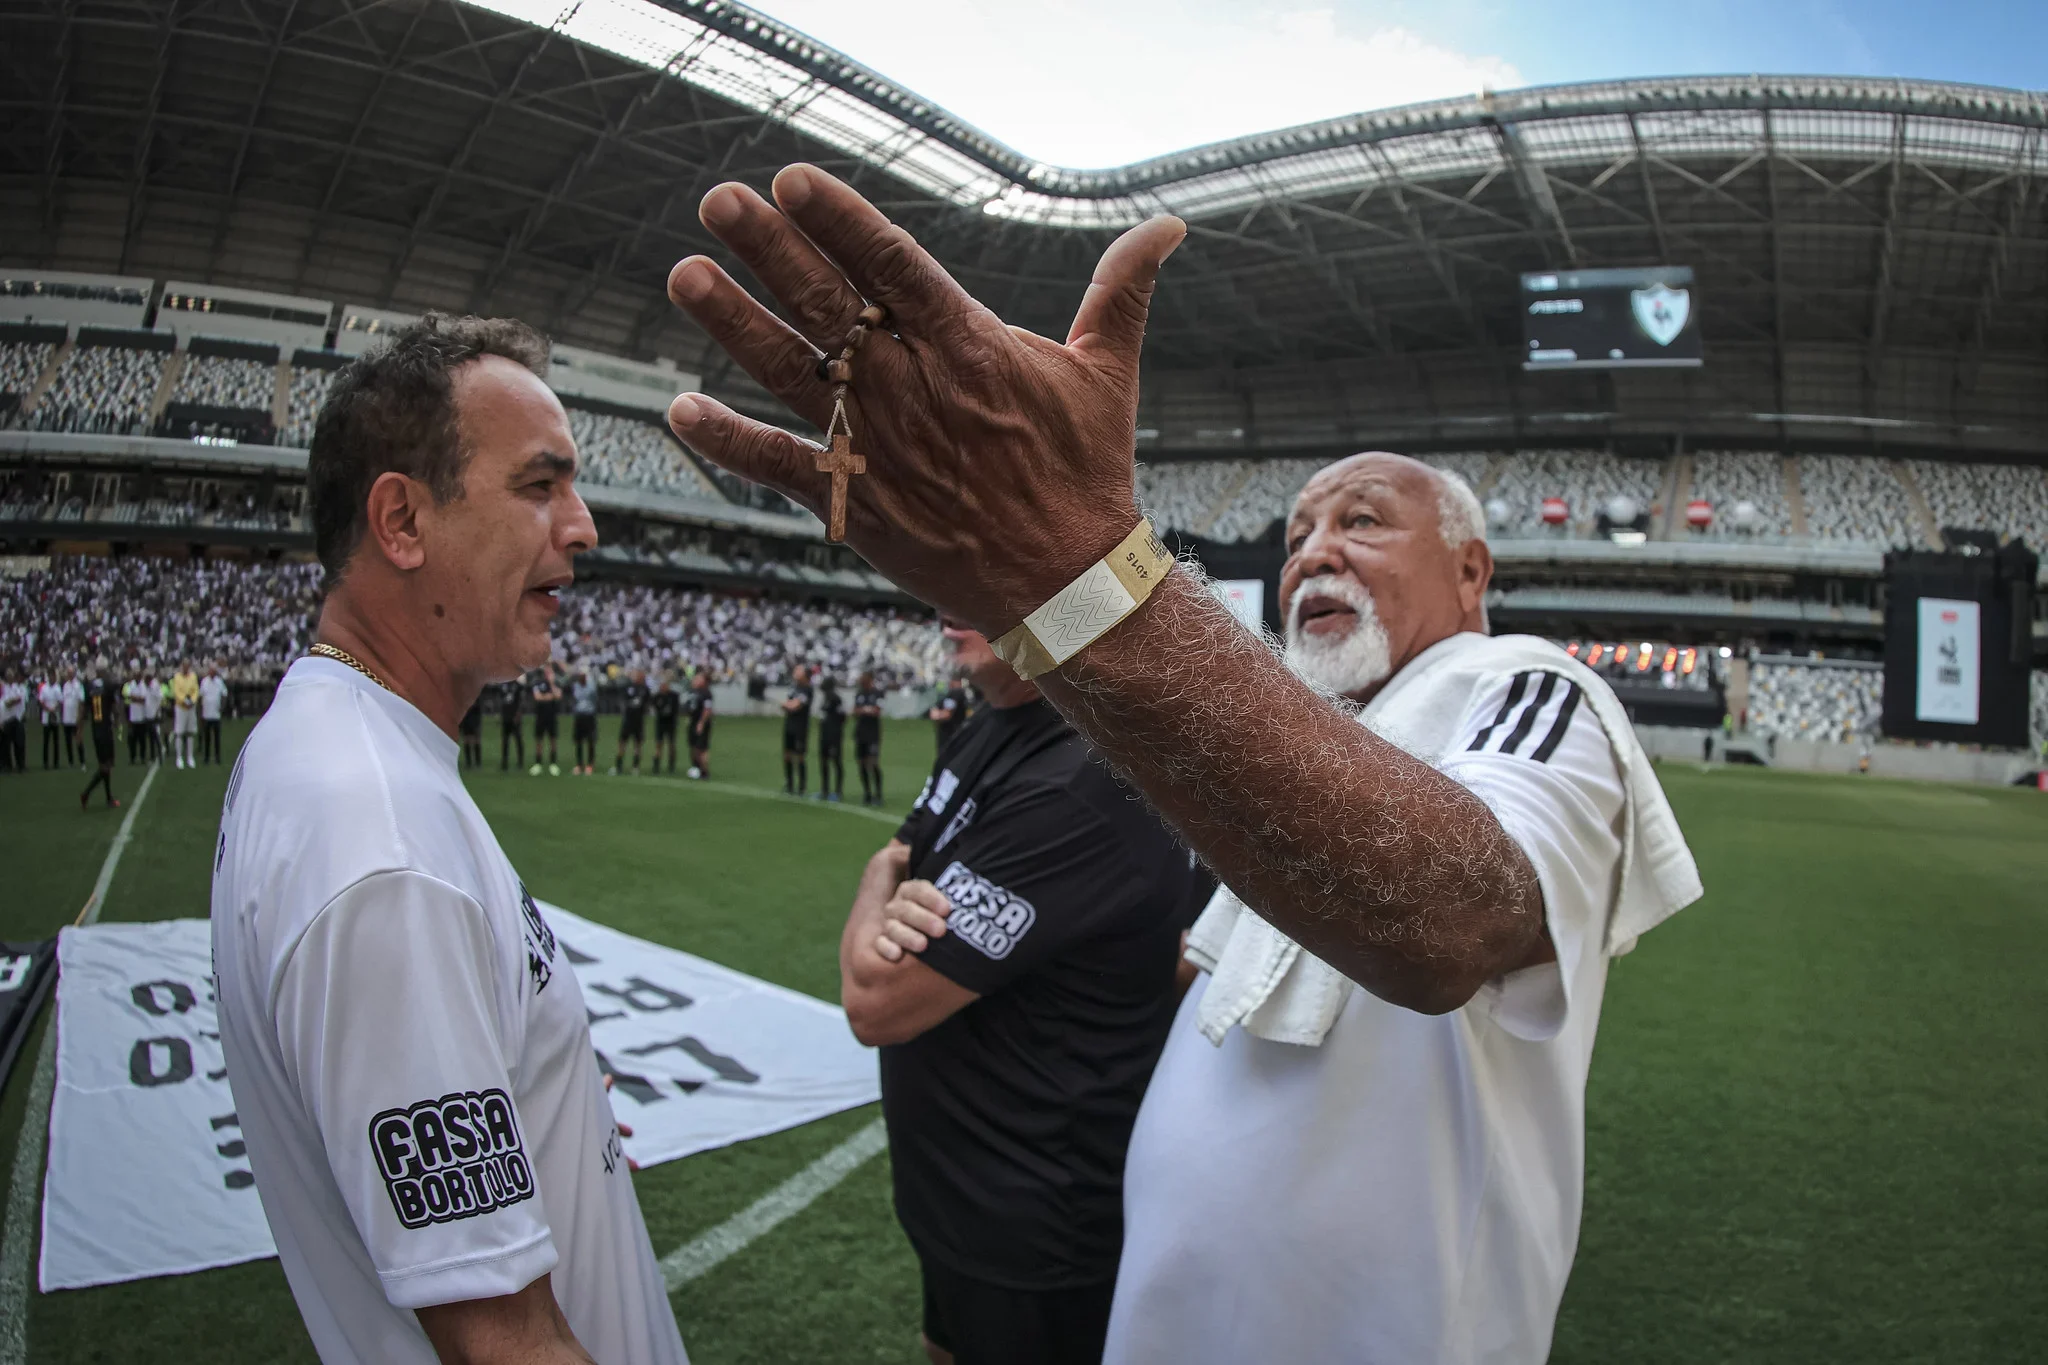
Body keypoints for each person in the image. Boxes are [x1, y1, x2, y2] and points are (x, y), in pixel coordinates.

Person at [662, 167, 1702, 1365]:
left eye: (1361, 522)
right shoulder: (1285, 753)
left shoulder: (1521, 687)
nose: (1314, 553)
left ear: (1470, 574)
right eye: (1298, 532)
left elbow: (1452, 917)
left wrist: (1069, 576)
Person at [210, 313, 688, 1365]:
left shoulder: (348, 751)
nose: (583, 526)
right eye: (538, 485)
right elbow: (501, 1341)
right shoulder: (377, 832)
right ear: (402, 521)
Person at [841, 616, 1206, 1365]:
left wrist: (878, 880)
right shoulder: (996, 724)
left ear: (1059, 600)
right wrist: (893, 875)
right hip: (957, 1193)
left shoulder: (1082, 780)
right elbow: (906, 852)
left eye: (975, 582)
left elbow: (877, 998)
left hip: (1031, 1224)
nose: (945, 607)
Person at [78, 660, 119, 810]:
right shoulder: (108, 686)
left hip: (96, 729)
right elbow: (114, 707)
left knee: (105, 765)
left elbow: (83, 711)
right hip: (106, 728)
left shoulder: (89, 687)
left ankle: (108, 798)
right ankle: (86, 793)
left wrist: (80, 729)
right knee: (106, 766)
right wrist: (117, 722)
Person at [853, 671, 885, 807]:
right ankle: (867, 793)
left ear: (870, 679)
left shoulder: (878, 693)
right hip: (860, 733)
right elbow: (855, 711)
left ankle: (878, 794)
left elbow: (877, 711)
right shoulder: (860, 694)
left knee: (873, 763)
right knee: (861, 763)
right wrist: (867, 710)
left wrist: (864, 710)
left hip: (873, 734)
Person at [610, 667, 649, 776]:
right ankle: (618, 766)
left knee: (637, 745)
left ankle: (635, 767)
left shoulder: (645, 689)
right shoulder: (629, 687)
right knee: (622, 743)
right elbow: (625, 700)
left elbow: (646, 703)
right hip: (628, 719)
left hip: (638, 720)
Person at [781, 663, 813, 796]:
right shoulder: (793, 688)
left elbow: (794, 706)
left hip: (800, 727)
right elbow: (789, 704)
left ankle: (802, 786)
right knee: (787, 755)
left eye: (798, 671)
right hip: (789, 725)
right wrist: (787, 705)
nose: (795, 673)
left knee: (799, 756)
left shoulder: (807, 689)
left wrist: (787, 705)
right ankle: (789, 784)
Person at [815, 674, 846, 801]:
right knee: (824, 761)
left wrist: (835, 729)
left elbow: (842, 716)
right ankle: (825, 790)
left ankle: (837, 791)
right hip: (825, 734)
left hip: (834, 735)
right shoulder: (826, 697)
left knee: (836, 761)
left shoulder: (835, 698)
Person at [530, 661, 562, 776]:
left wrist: (552, 684)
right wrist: (550, 696)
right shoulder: (537, 682)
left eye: (550, 670)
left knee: (553, 740)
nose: (548, 672)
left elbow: (558, 696)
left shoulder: (556, 683)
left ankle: (553, 763)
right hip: (540, 715)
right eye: (546, 670)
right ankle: (538, 763)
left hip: (552, 715)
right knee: (539, 740)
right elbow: (537, 697)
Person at [684, 670, 713, 779]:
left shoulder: (706, 693)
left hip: (701, 723)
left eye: (698, 679)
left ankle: (705, 771)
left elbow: (707, 709)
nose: (695, 680)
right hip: (692, 722)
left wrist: (701, 723)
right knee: (693, 746)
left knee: (702, 747)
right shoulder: (692, 692)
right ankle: (696, 767)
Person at [650, 672, 681, 774]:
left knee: (671, 744)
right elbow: (655, 707)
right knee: (659, 744)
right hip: (660, 723)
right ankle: (656, 766)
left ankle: (671, 765)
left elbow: (676, 710)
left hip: (671, 723)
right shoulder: (657, 696)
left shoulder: (674, 696)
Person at [927, 676, 968, 754]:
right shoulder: (953, 694)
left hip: (952, 733)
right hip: (951, 733)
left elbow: (947, 714)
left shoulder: (956, 693)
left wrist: (937, 715)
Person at [199, 662, 230, 764]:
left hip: (216, 714)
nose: (212, 673)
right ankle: (207, 757)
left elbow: (224, 693)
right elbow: (201, 695)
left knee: (217, 738)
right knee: (207, 737)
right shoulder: (204, 682)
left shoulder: (219, 682)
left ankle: (217, 757)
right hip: (206, 713)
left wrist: (222, 707)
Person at [171, 659, 200, 769]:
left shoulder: (193, 676)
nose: (186, 668)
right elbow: (176, 691)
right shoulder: (177, 677)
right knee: (179, 732)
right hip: (180, 707)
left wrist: (192, 701)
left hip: (191, 707)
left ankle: (190, 757)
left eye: (187, 665)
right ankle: (179, 757)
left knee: (190, 732)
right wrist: (184, 701)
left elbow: (196, 690)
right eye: (184, 665)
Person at [569, 667, 599, 774]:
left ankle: (590, 764)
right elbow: (575, 699)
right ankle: (579, 764)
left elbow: (595, 699)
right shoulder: (576, 686)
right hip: (579, 715)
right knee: (578, 741)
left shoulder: (591, 687)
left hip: (589, 715)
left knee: (590, 741)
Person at [500, 672, 526, 771]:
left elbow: (521, 702)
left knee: (518, 739)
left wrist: (518, 715)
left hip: (515, 717)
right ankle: (504, 762)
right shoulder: (503, 686)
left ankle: (520, 762)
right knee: (505, 741)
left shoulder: (518, 686)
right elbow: (502, 701)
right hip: (506, 717)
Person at [0, 669, 24, 774]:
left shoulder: (16, 688)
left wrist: (11, 701)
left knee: (19, 743)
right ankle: (7, 765)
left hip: (16, 718)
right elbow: (6, 702)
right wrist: (11, 701)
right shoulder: (4, 688)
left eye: (11, 675)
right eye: (8, 676)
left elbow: (18, 699)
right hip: (6, 719)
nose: (9, 677)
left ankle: (20, 765)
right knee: (5, 744)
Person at [124, 669, 150, 766]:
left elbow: (144, 699)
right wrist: (137, 699)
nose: (137, 677)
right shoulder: (131, 685)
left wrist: (135, 698)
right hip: (133, 717)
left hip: (142, 717)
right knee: (132, 740)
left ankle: (143, 758)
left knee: (142, 740)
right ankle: (132, 758)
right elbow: (130, 697)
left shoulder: (143, 685)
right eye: (136, 675)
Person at [60, 665, 84, 768]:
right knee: (68, 741)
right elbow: (63, 701)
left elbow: (81, 702)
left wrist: (80, 716)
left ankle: (82, 761)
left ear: (74, 674)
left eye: (70, 673)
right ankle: (70, 761)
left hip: (75, 717)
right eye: (68, 673)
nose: (69, 675)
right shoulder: (65, 685)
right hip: (66, 718)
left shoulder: (78, 685)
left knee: (78, 739)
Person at [38, 673, 63, 768]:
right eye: (51, 676)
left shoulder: (57, 687)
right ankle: (45, 762)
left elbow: (60, 701)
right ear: (49, 677)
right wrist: (48, 709)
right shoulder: (44, 688)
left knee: (56, 741)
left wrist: (53, 709)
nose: (52, 678)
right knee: (46, 741)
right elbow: (41, 700)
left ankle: (56, 762)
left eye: (53, 677)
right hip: (46, 716)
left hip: (55, 716)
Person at [458, 696, 483, 768]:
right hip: (466, 719)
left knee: (476, 740)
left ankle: (478, 763)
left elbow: (478, 706)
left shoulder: (476, 694)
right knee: (466, 740)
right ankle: (468, 763)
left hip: (475, 719)